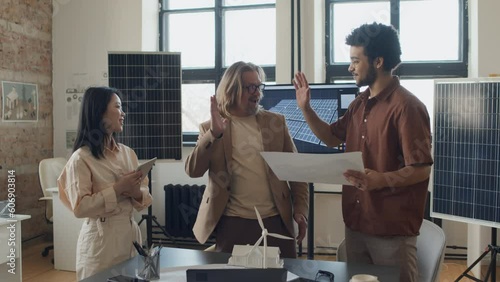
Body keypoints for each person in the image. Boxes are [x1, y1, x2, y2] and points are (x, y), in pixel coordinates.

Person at [293, 23, 433, 282]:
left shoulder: (408, 108)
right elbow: (331, 138)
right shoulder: (360, 103)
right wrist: (306, 109)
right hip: (356, 226)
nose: (350, 67)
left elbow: (421, 168)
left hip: (391, 232)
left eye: (356, 61)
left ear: (378, 61)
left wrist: (380, 179)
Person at [185, 61, 309, 258]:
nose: (256, 92)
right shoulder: (212, 127)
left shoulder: (276, 123)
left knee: (281, 277)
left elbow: (296, 171)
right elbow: (193, 171)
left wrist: (301, 210)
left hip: (276, 220)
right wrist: (213, 134)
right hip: (233, 223)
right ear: (232, 89)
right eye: (250, 87)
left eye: (258, 86)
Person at [57, 86, 153, 281]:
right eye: (118, 107)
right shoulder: (81, 158)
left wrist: (135, 192)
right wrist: (118, 189)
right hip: (101, 245)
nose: (123, 113)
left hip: (130, 239)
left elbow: (146, 198)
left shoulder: (128, 153)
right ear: (100, 112)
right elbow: (80, 208)